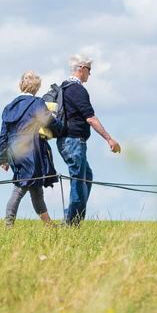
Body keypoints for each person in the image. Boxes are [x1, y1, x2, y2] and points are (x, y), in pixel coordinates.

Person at [54, 54, 121, 226]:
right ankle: (71, 223)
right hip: (74, 141)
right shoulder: (77, 90)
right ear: (82, 69)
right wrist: (109, 139)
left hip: (66, 141)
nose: (90, 75)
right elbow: (90, 118)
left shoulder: (63, 87)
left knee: (86, 177)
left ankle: (72, 216)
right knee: (79, 180)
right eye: (89, 70)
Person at [0, 72, 56, 225]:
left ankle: (49, 225)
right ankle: (8, 225)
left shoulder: (9, 107)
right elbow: (51, 123)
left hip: (15, 151)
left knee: (35, 188)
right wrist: (65, 130)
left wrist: (3, 158)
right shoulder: (37, 103)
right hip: (32, 151)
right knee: (20, 187)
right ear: (36, 87)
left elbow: (3, 135)